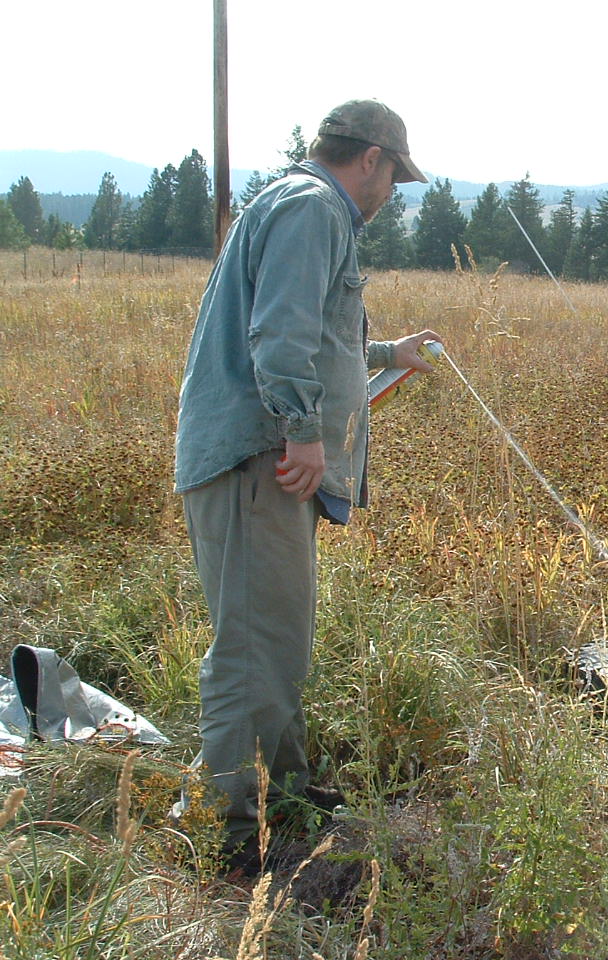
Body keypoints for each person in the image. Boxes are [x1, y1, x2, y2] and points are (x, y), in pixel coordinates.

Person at [172, 99, 439, 871]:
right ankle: (229, 828)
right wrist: (303, 430)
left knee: (276, 639)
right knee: (253, 645)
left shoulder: (301, 207)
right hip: (259, 458)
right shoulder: (315, 207)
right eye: (394, 176)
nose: (391, 193)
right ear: (371, 160)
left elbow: (317, 332)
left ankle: (281, 792)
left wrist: (389, 351)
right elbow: (280, 331)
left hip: (261, 461)